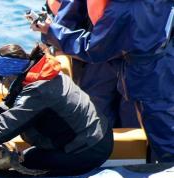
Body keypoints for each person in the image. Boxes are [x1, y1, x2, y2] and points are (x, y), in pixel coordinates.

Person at [31, 0, 174, 162]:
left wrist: (51, 31)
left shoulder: (120, 10)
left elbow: (94, 49)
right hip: (166, 64)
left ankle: (165, 176)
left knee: (163, 138)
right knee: (164, 126)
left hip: (146, 78)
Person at [0, 44, 113, 176]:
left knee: (22, 163)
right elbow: (23, 108)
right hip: (97, 134)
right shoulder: (44, 74)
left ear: (10, 76)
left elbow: (4, 129)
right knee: (27, 157)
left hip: (88, 149)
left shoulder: (38, 91)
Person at [43, 0, 139, 128]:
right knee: (134, 114)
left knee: (98, 113)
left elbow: (66, 21)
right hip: (139, 58)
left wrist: (51, 33)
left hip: (98, 58)